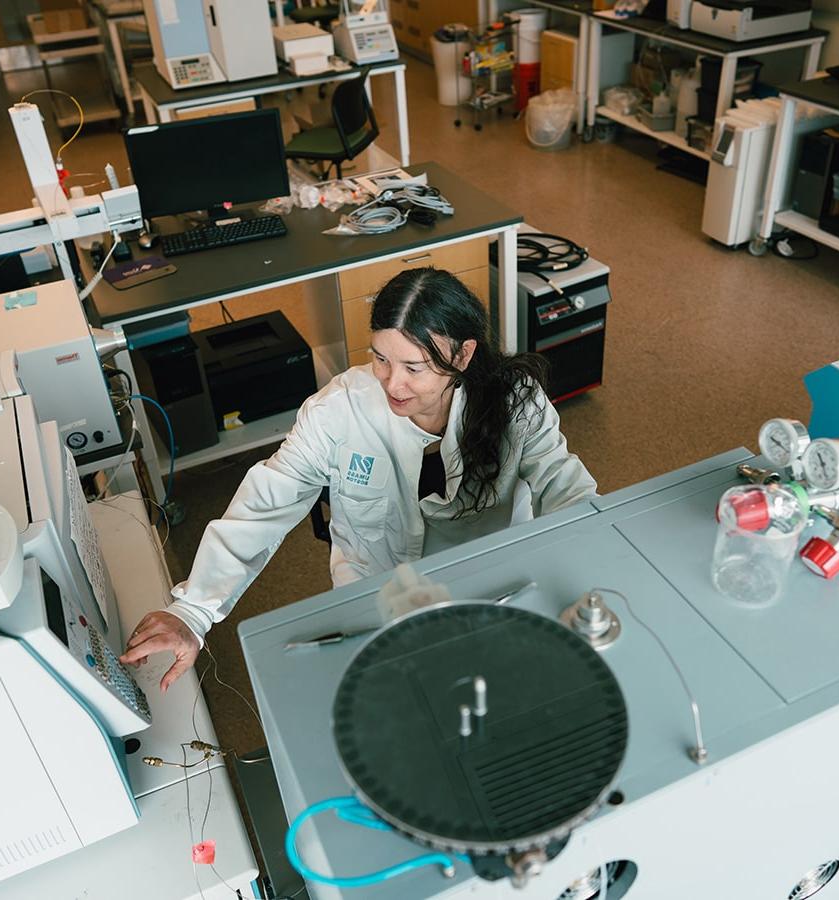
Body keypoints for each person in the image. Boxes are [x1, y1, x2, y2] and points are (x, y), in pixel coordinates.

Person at [120, 268, 597, 690]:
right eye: (381, 359)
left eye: (414, 367)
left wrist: (597, 569)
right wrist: (193, 610)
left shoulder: (516, 402)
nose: (393, 384)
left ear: (465, 354)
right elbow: (267, 501)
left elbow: (567, 488)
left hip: (492, 584)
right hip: (378, 596)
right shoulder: (337, 411)